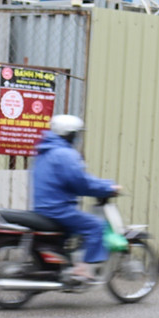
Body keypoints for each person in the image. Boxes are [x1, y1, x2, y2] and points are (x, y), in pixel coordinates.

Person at [31, 114, 118, 281]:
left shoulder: (44, 151)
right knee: (96, 226)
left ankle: (65, 267)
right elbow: (81, 183)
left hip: (43, 208)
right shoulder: (65, 154)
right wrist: (107, 187)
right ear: (70, 134)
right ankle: (83, 270)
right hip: (58, 210)